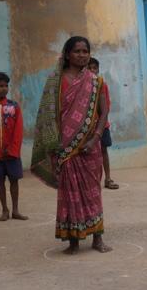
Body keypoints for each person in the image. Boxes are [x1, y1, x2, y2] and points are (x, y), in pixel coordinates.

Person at [30, 36, 111, 254]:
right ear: (67, 54)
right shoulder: (55, 81)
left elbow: (103, 112)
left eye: (85, 51)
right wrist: (53, 142)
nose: (82, 55)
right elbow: (47, 114)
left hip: (89, 147)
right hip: (65, 148)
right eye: (77, 51)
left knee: (92, 192)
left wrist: (94, 139)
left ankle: (97, 238)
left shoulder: (96, 81)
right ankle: (73, 240)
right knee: (69, 194)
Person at [0, 72, 27, 222]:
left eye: (6, 86)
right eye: (0, 86)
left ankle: (16, 210)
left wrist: (13, 149)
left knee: (14, 180)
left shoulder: (14, 107)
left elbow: (18, 130)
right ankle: (4, 210)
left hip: (12, 153)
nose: (4, 89)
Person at [87, 57, 119, 190]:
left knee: (103, 150)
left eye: (95, 68)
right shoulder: (82, 86)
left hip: (102, 125)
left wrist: (100, 122)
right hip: (87, 126)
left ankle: (108, 178)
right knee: (88, 154)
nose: (92, 70)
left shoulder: (102, 85)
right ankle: (91, 180)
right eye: (89, 68)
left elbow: (106, 107)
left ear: (98, 70)